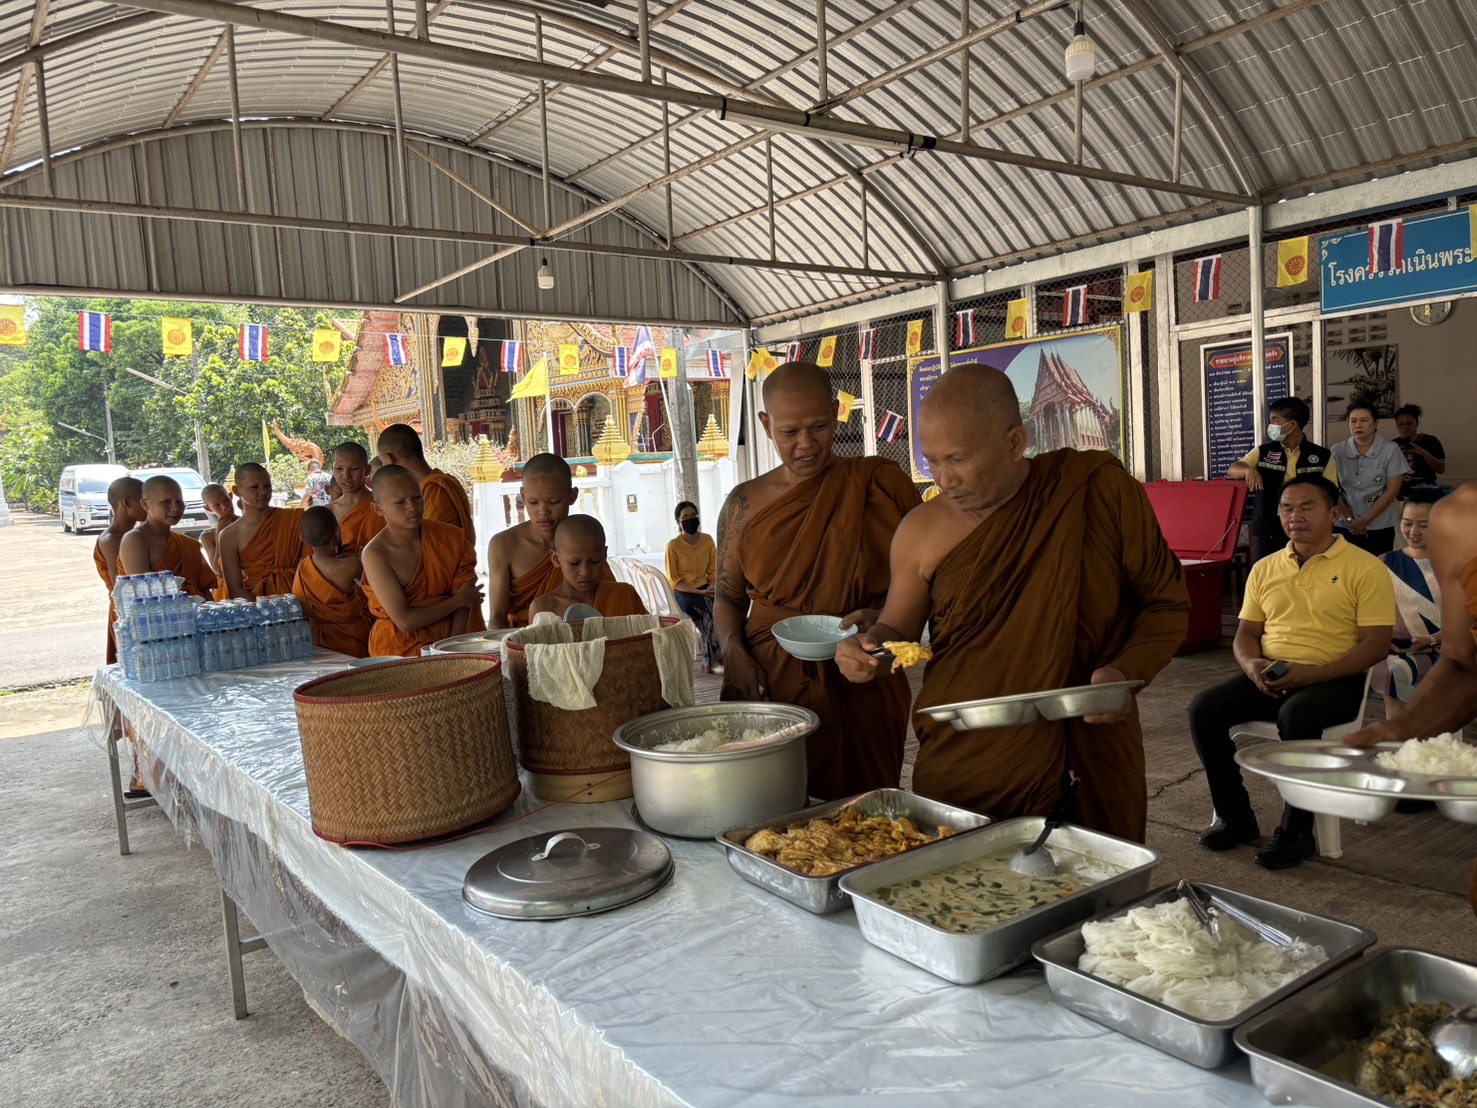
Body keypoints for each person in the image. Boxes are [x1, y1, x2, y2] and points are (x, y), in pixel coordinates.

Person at [836, 366, 1188, 842]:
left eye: (958, 459)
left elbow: (1165, 604)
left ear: (1015, 441)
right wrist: (868, 650)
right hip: (967, 752)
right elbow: (897, 630)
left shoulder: (1094, 491)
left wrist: (1124, 673)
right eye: (932, 461)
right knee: (957, 889)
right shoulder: (920, 529)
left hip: (1086, 743)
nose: (945, 479)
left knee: (1097, 900)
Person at [717, 362, 920, 801]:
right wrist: (733, 653)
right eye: (789, 433)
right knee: (775, 802)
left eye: (819, 427)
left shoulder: (880, 486)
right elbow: (727, 596)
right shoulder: (744, 504)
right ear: (766, 424)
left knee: (868, 807)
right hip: (774, 673)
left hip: (864, 672)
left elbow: (921, 583)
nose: (806, 445)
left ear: (835, 412)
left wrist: (884, 617)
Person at [1188, 475, 1394, 869]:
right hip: (1273, 675)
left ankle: (1297, 833)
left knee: (1298, 715)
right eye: (1286, 508)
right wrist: (1252, 666)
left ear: (1334, 514)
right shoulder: (1266, 568)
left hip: (1334, 680)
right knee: (1204, 708)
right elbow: (1247, 633)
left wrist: (1312, 675)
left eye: (1307, 507)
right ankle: (1236, 817)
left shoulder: (1365, 569)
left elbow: (1375, 646)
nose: (1294, 516)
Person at [1344, 484, 1477, 913]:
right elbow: (1462, 661)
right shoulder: (1461, 517)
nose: (1415, 531)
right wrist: (1400, 729)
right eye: (1409, 524)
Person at [361, 465, 484, 657]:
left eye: (417, 497)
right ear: (378, 508)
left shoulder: (450, 537)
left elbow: (465, 601)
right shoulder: (376, 554)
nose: (412, 507)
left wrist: (448, 651)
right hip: (401, 649)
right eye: (400, 502)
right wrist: (457, 601)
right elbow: (404, 621)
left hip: (456, 642)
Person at [487, 453, 614, 628]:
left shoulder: (584, 539)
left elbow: (608, 602)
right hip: (525, 643)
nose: (543, 511)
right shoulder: (504, 545)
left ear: (572, 496)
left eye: (554, 502)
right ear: (523, 497)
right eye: (533, 502)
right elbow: (496, 617)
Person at [1227, 396, 1338, 563]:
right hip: (1268, 529)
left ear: (1292, 425)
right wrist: (1247, 470)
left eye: (1275, 420)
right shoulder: (1264, 451)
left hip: (1305, 528)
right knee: (1267, 578)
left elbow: (1332, 494)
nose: (1270, 426)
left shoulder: (1322, 455)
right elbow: (1232, 470)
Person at [1373, 491, 1445, 720]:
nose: (1413, 532)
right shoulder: (1383, 563)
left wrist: (1431, 640)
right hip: (1397, 650)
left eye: (1424, 525)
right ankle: (1398, 740)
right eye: (1407, 523)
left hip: (1453, 647)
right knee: (1392, 670)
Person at [528, 515, 648, 621]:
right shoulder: (543, 609)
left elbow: (649, 638)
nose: (585, 572)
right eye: (574, 563)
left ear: (604, 555)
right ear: (556, 559)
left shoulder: (624, 595)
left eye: (594, 562)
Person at [291, 507, 373, 658]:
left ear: (302, 537)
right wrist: (364, 559)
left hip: (316, 643)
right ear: (338, 533)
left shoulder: (302, 566)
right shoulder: (353, 565)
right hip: (350, 642)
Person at [118, 475, 219, 598]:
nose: (175, 508)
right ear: (145, 504)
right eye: (166, 502)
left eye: (179, 502)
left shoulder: (187, 544)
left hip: (196, 614)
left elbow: (204, 591)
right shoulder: (135, 540)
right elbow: (143, 596)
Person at [219, 463, 306, 599]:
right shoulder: (229, 535)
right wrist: (265, 612)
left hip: (300, 598)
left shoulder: (294, 520)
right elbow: (235, 589)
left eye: (267, 486)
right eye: (254, 487)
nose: (263, 492)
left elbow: (311, 567)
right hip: (257, 607)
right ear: (237, 491)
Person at [376, 423, 475, 542]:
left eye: (382, 461)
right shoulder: (444, 482)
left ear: (389, 459)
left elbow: (437, 545)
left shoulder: (436, 488)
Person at [1334, 401, 1407, 555]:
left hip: (1380, 526)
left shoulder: (1390, 450)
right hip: (1345, 526)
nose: (1357, 425)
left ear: (1375, 424)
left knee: (1377, 569)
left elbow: (1392, 490)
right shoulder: (1337, 450)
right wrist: (1350, 521)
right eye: (1353, 421)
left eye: (1364, 420)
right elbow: (1334, 489)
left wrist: (1364, 521)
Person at [93, 476, 146, 664]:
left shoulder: (136, 536)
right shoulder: (112, 540)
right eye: (143, 500)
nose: (148, 505)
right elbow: (122, 587)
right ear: (126, 502)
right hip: (126, 612)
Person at [666, 500, 721, 673]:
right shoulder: (673, 546)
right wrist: (700, 592)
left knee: (723, 606)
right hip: (684, 593)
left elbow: (713, 571)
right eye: (685, 517)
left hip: (705, 589)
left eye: (693, 516)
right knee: (707, 611)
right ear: (678, 522)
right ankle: (714, 660)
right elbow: (675, 580)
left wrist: (711, 587)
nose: (690, 519)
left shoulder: (707, 540)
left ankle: (724, 655)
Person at [329, 442, 384, 555]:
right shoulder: (329, 511)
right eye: (339, 468)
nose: (346, 476)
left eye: (354, 469)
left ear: (367, 470)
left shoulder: (381, 506)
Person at [199, 483, 238, 601]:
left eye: (226, 500)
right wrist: (220, 533)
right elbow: (218, 570)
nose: (225, 507)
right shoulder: (208, 536)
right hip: (226, 591)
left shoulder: (247, 524)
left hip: (253, 582)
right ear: (208, 509)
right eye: (216, 505)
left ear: (231, 497)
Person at [1392, 404, 1446, 489]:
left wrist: (1423, 453)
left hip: (1426, 490)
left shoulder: (1430, 440)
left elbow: (1441, 469)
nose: (1405, 427)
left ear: (1416, 423)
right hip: (1400, 492)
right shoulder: (1393, 444)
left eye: (1409, 423)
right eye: (1401, 424)